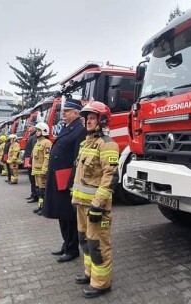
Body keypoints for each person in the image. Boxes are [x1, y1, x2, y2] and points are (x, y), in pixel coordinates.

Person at [71, 101, 118, 298]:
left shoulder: (107, 144)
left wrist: (98, 205)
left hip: (96, 207)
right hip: (81, 205)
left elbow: (110, 177)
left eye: (92, 118)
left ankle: (101, 283)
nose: (88, 121)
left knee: (98, 245)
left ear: (102, 120)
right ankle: (90, 274)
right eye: (86, 118)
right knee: (85, 242)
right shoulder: (85, 143)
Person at [42, 98, 86, 263]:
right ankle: (66, 244)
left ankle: (72, 248)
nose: (63, 114)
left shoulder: (79, 130)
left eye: (66, 111)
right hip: (58, 178)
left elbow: (77, 159)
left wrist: (72, 182)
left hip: (66, 180)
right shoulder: (67, 128)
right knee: (62, 214)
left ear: (76, 113)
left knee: (69, 216)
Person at [30, 123, 52, 214]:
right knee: (39, 190)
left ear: (44, 131)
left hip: (41, 171)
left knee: (43, 190)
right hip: (36, 171)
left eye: (39, 131)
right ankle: (40, 207)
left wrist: (44, 170)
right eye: (36, 130)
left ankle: (45, 208)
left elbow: (47, 157)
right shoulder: (37, 142)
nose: (36, 132)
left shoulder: (47, 143)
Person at [23, 125, 38, 203]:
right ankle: (33, 194)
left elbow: (34, 150)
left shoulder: (34, 137)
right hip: (28, 159)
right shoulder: (31, 136)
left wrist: (31, 162)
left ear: (35, 128)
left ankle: (35, 196)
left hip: (30, 159)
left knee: (33, 179)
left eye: (30, 126)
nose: (28, 127)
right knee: (31, 179)